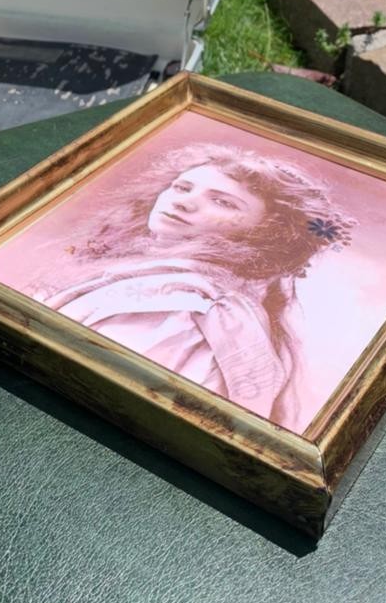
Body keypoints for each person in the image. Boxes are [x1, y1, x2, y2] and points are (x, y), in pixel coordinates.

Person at [32, 141, 355, 432]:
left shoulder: (186, 311)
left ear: (266, 233)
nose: (184, 202)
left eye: (223, 202)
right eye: (182, 187)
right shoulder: (164, 281)